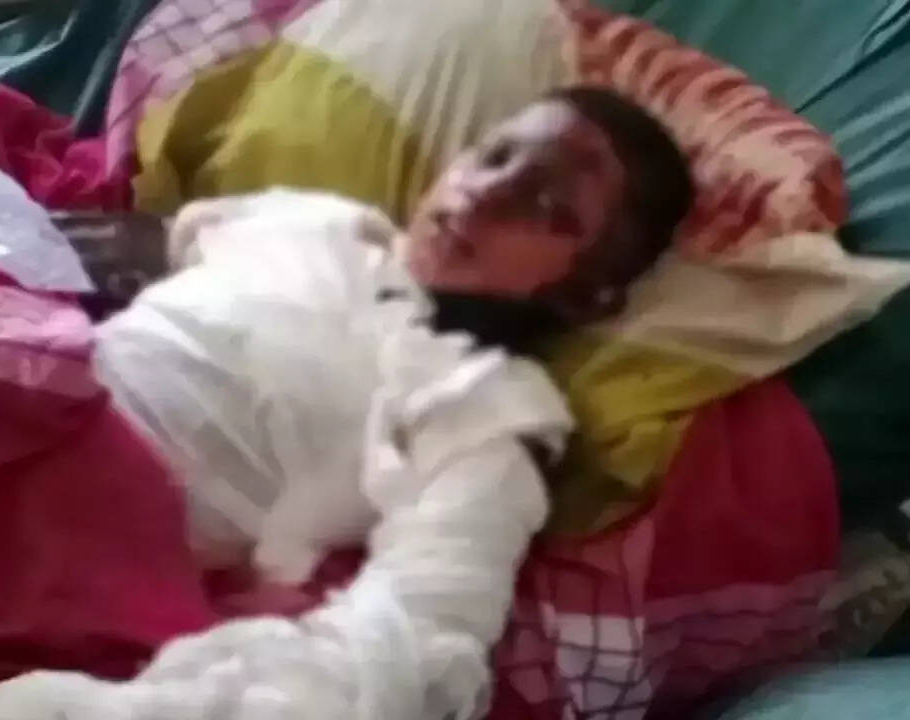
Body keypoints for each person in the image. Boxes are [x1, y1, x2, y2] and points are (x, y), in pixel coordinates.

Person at [93, 85, 695, 577]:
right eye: (493, 158)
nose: (486, 195)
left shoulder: (492, 403)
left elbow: (438, 597)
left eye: (546, 207)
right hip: (58, 371)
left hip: (103, 520)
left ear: (583, 293)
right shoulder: (323, 222)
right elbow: (137, 247)